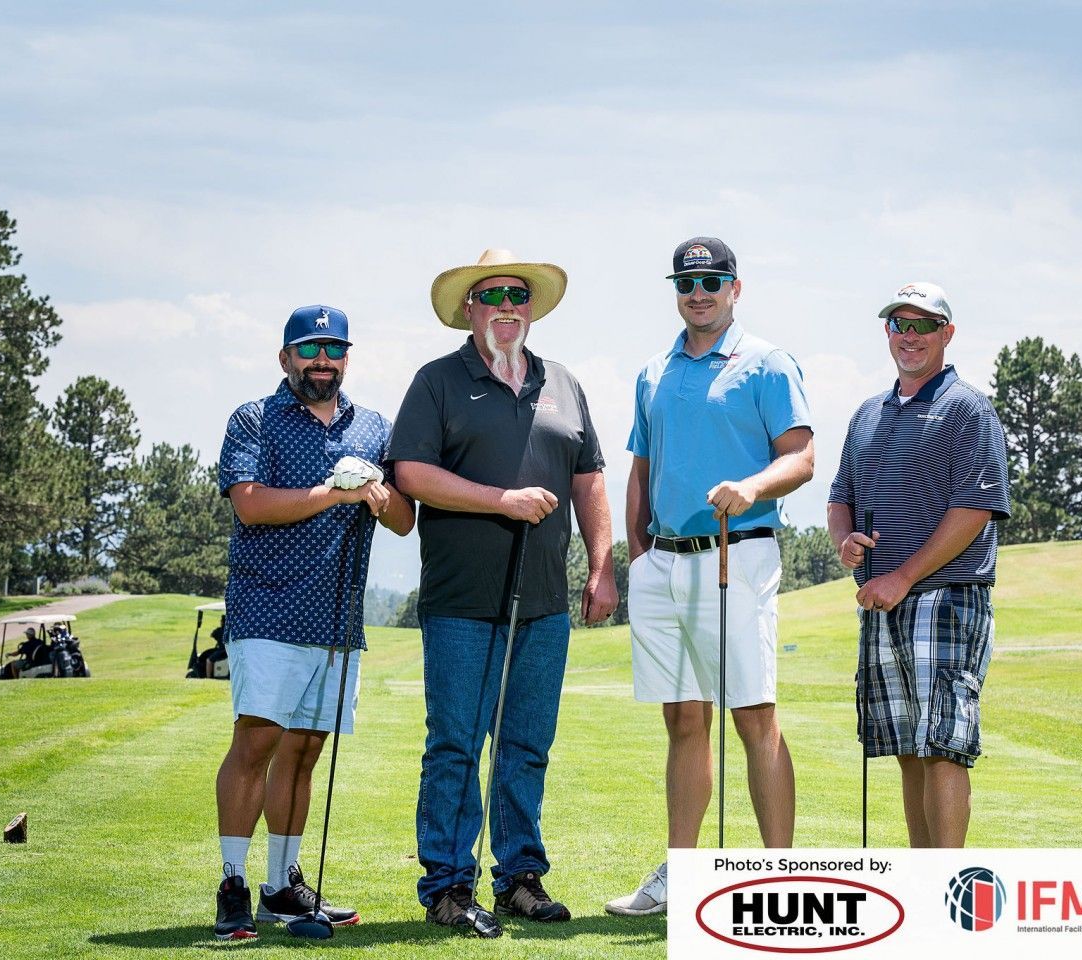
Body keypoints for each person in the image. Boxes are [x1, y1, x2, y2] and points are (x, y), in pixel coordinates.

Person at [388, 249, 617, 937]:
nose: (506, 304)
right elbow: (411, 473)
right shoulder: (437, 382)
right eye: (491, 295)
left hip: (543, 602)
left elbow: (590, 479)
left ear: (531, 305)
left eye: (517, 293)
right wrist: (500, 501)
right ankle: (449, 886)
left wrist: (602, 566)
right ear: (469, 309)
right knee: (455, 744)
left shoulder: (563, 383)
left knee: (524, 745)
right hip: (461, 600)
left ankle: (520, 878)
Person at [607, 237, 813, 917]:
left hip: (737, 550)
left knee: (752, 714)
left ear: (734, 287)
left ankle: (778, 877)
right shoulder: (653, 373)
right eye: (687, 281)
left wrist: (751, 486)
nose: (699, 292)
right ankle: (682, 874)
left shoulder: (766, 363)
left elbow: (801, 457)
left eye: (712, 280)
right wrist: (636, 553)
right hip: (662, 561)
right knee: (683, 719)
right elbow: (641, 469)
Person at [212, 304, 415, 940]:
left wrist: (380, 498)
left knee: (304, 751)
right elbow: (250, 506)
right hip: (268, 608)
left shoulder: (374, 427)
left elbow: (406, 520)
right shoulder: (255, 419)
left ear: (346, 358)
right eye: (309, 350)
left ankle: (281, 886)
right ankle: (233, 883)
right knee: (257, 742)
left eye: (333, 350)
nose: (322, 361)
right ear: (285, 358)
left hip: (336, 620)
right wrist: (338, 493)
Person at [826, 281, 1010, 848]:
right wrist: (845, 543)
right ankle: (919, 881)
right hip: (883, 600)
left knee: (943, 744)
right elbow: (841, 498)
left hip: (947, 595)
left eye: (923, 325)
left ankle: (945, 891)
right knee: (907, 745)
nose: (910, 337)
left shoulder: (967, 410)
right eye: (899, 325)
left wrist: (902, 576)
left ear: (946, 334)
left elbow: (976, 508)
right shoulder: (867, 414)